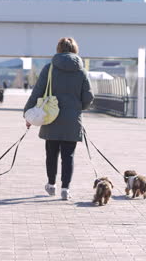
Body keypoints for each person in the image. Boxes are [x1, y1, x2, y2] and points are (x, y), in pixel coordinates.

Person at [23, 37, 94, 201]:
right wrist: (78, 108)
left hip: (50, 117)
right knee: (68, 156)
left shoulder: (49, 69)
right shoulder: (81, 71)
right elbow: (89, 96)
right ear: (75, 49)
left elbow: (37, 92)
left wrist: (28, 114)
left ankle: (51, 184)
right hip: (72, 119)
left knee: (51, 153)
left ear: (58, 49)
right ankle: (65, 189)